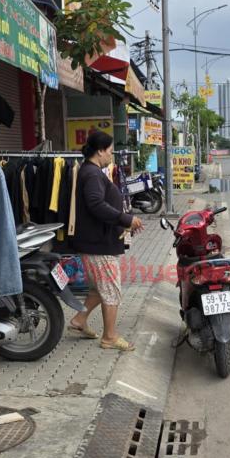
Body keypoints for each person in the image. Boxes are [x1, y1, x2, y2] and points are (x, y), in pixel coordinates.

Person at [68, 130, 144, 351]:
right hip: (98, 246)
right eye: (110, 151)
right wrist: (126, 218)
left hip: (96, 243)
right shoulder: (92, 174)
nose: (112, 155)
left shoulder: (90, 171)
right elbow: (96, 204)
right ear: (100, 151)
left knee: (98, 289)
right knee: (111, 290)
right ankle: (109, 337)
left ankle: (79, 320)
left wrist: (123, 222)